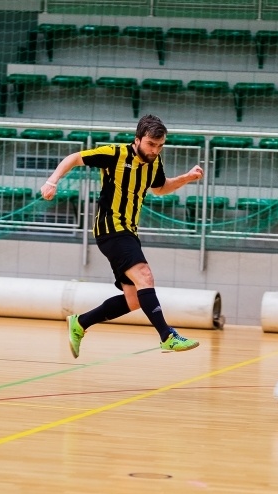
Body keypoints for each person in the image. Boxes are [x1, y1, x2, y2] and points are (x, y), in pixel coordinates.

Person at [40, 115, 204, 357]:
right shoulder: (115, 154)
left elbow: (160, 189)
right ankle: (167, 336)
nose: (155, 150)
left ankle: (81, 323)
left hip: (128, 232)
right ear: (137, 139)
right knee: (145, 276)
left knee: (135, 299)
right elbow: (75, 158)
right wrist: (52, 181)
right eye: (151, 144)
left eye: (160, 146)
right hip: (111, 228)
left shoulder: (154, 162)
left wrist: (186, 178)